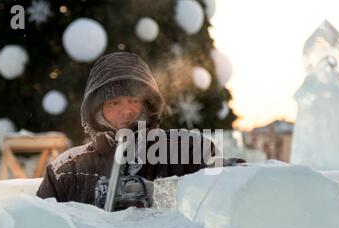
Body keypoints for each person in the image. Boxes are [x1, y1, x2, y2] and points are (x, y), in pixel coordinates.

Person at [36, 52, 244, 206]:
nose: (125, 111)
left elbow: (231, 199)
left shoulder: (190, 151)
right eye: (114, 103)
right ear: (96, 111)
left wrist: (158, 194)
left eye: (133, 100)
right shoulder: (67, 171)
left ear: (148, 105)